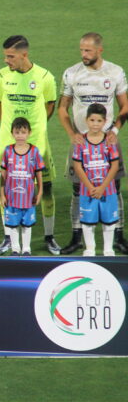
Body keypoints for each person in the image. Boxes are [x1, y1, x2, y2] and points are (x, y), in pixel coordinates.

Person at [57, 32, 128, 254]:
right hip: (81, 141)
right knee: (78, 188)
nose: (83, 54)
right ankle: (77, 236)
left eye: (88, 50)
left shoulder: (115, 72)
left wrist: (115, 130)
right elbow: (62, 107)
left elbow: (125, 106)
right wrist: (72, 134)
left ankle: (119, 235)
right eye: (81, 50)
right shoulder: (72, 73)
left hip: (107, 141)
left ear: (100, 50)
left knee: (114, 188)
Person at [0, 35, 59, 255]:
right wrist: (13, 132)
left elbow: (50, 104)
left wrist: (33, 132)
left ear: (24, 55)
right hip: (8, 143)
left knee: (45, 188)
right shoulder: (1, 77)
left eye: (10, 56)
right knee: (7, 187)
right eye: (5, 56)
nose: (6, 60)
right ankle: (9, 238)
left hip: (37, 143)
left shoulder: (45, 77)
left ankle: (49, 236)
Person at [72, 103, 120, 256]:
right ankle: (90, 249)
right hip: (88, 191)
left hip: (108, 190)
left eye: (99, 121)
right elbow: (78, 167)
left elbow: (114, 166)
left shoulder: (110, 141)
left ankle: (108, 249)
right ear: (86, 120)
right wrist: (91, 187)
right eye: (92, 120)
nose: (95, 124)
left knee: (109, 221)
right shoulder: (80, 142)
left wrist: (102, 188)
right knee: (87, 222)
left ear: (105, 122)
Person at [0, 117, 44, 256]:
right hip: (11, 196)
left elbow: (38, 174)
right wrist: (2, 194)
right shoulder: (7, 151)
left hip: (28, 196)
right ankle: (15, 248)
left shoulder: (34, 151)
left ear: (29, 133)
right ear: (12, 133)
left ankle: (26, 249)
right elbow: (3, 175)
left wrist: (40, 191)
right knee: (12, 224)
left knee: (26, 224)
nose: (20, 136)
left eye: (23, 132)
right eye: (17, 132)